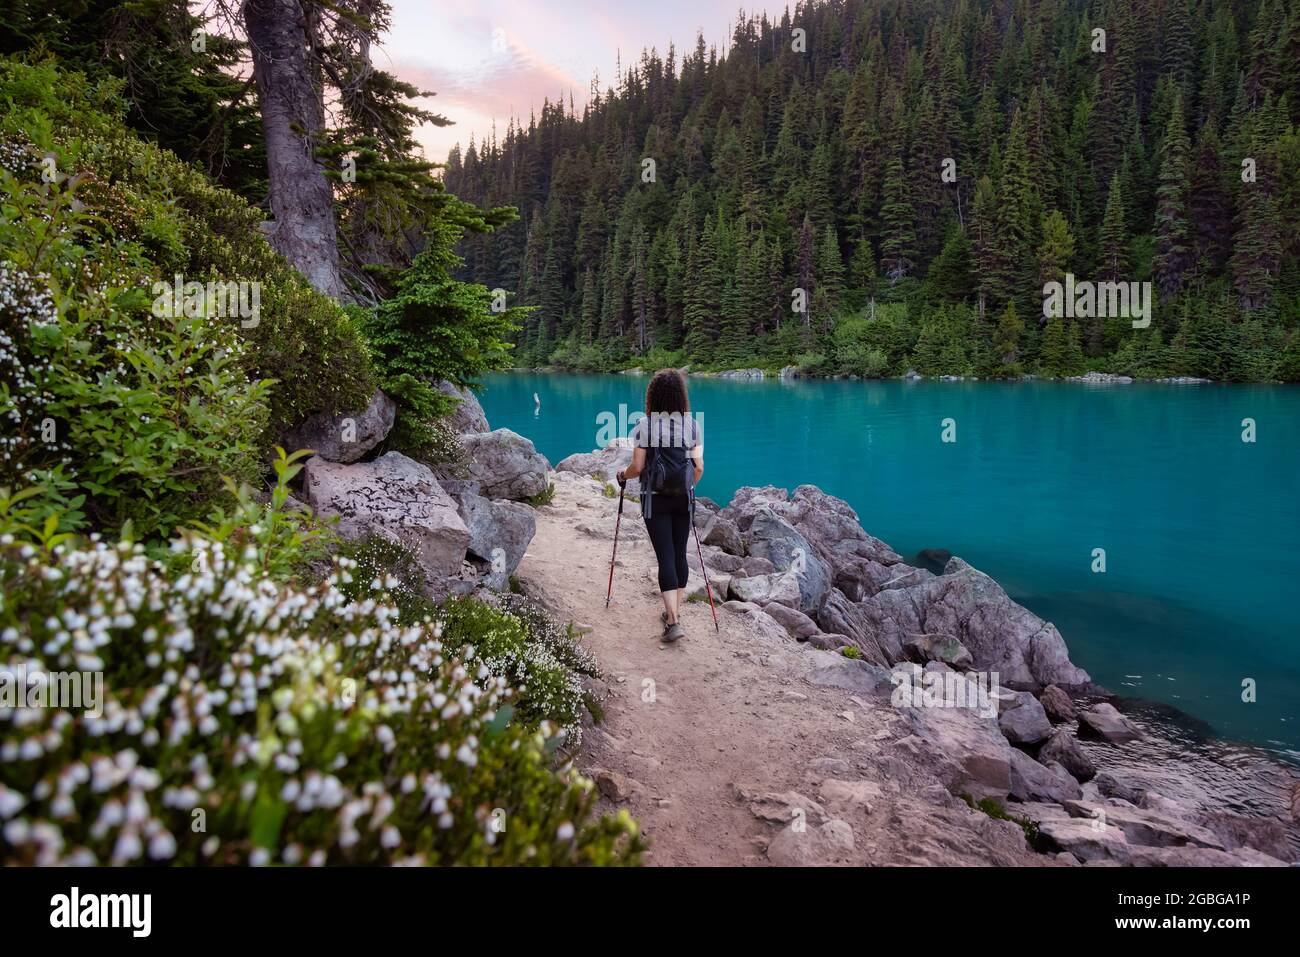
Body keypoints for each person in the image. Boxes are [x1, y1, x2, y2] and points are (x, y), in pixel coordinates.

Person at [616, 369, 704, 643]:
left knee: (665, 556)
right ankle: (673, 612)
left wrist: (622, 475)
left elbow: (638, 467)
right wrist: (687, 488)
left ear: (652, 396)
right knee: (679, 555)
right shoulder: (692, 424)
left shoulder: (645, 425)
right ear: (681, 395)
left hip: (655, 498)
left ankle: (673, 620)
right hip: (683, 498)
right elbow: (699, 467)